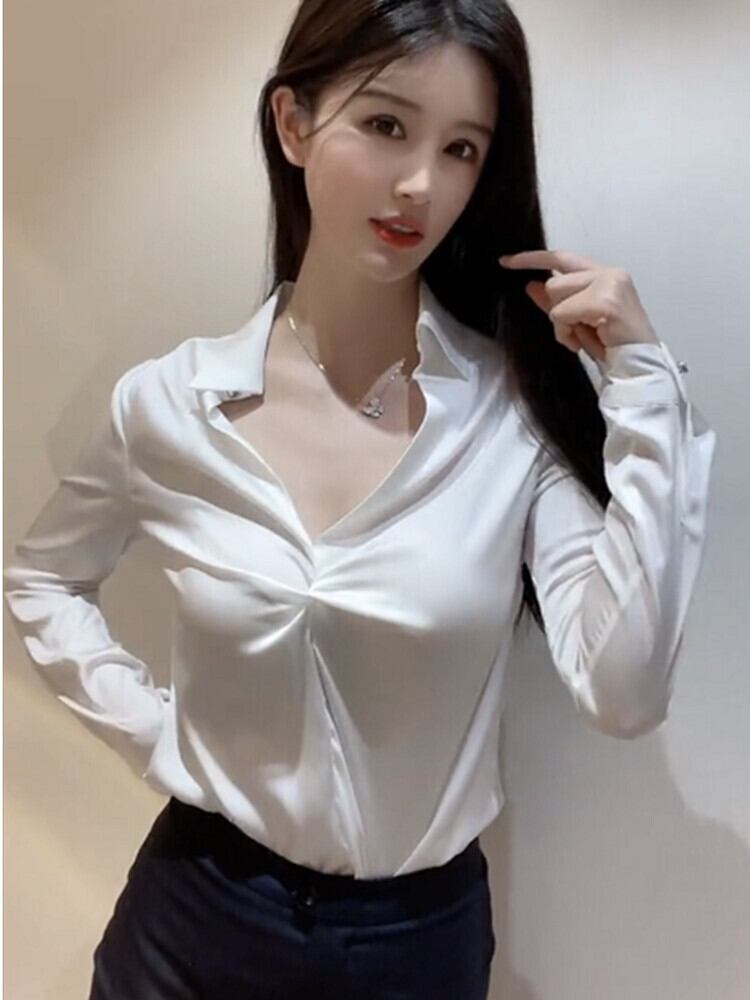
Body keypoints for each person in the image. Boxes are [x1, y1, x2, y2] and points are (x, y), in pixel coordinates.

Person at [3, 1, 717, 998]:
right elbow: (42, 580)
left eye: (462, 149)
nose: (422, 183)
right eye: (386, 124)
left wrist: (642, 387)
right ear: (293, 123)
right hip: (194, 916)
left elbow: (624, 689)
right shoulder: (172, 405)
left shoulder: (508, 418)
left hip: (413, 945)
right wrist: (160, 735)